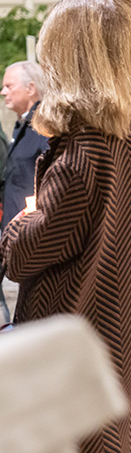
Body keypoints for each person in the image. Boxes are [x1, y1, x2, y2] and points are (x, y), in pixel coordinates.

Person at [0, 0, 131, 453]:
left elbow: (21, 255)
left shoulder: (90, 141)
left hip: (77, 328)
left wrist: (23, 218)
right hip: (127, 323)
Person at [0, 61, 50, 323]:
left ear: (31, 89)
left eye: (9, 86)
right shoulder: (21, 126)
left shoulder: (44, 126)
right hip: (18, 238)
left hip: (34, 239)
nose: (3, 91)